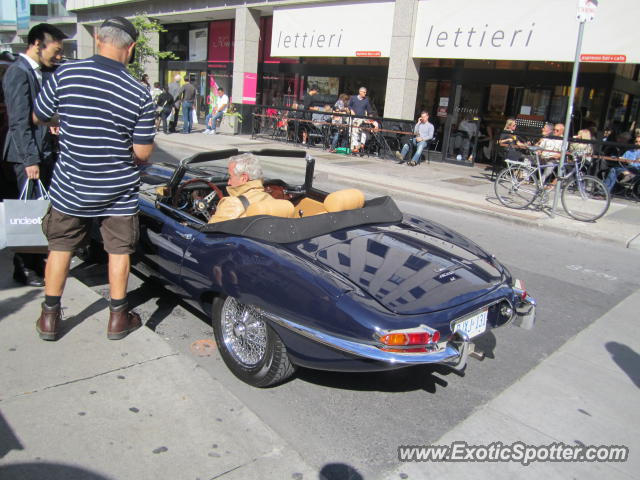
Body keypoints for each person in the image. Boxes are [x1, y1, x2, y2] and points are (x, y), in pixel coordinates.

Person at [32, 16, 156, 341]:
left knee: (60, 247)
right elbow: (142, 154)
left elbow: (39, 115)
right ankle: (118, 319)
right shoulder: (138, 93)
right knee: (119, 251)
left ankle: (49, 318)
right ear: (130, 48)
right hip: (118, 191)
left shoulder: (66, 73)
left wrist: (67, 122)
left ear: (99, 38)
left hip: (70, 186)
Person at [2, 23, 66, 286]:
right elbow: (18, 121)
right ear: (38, 43)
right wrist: (30, 160)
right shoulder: (19, 71)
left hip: (40, 152)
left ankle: (35, 263)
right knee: (27, 213)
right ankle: (25, 267)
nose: (59, 56)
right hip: (25, 156)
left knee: (39, 212)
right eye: (57, 50)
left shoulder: (37, 71)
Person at [208, 153, 271, 224]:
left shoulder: (232, 204)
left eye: (230, 177)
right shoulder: (269, 198)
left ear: (243, 178)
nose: (228, 182)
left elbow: (209, 231)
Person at [348, 86, 372, 152]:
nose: (365, 93)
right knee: (354, 133)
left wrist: (370, 118)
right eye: (364, 92)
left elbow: (369, 110)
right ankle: (355, 147)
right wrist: (351, 110)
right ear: (360, 92)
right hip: (354, 118)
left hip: (361, 119)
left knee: (363, 131)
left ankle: (361, 145)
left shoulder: (366, 100)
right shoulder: (353, 98)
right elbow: (349, 105)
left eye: (365, 92)